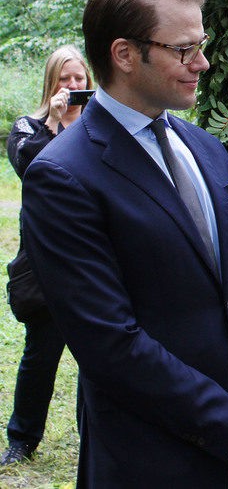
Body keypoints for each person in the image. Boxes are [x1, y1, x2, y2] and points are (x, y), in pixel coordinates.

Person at [19, 0, 228, 488]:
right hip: (149, 460)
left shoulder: (207, 150)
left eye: (202, 44)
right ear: (125, 55)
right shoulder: (63, 175)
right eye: (183, 49)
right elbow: (109, 343)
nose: (203, 62)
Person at [2, 46, 92, 466]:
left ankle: (94, 433)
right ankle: (22, 438)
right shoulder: (28, 126)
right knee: (40, 355)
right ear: (51, 83)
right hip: (43, 259)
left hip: (90, 257)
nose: (73, 87)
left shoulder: (98, 123)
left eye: (79, 78)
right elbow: (31, 170)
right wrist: (54, 121)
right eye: (65, 79)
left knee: (99, 356)